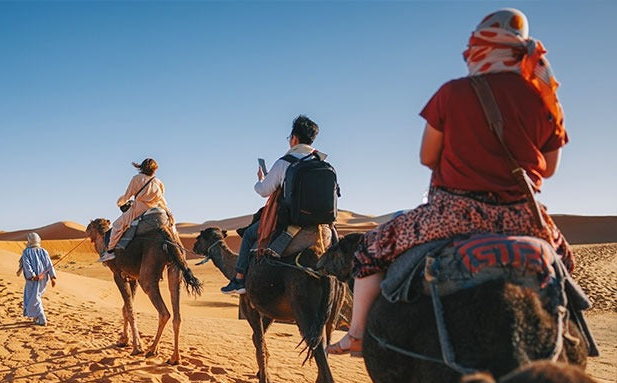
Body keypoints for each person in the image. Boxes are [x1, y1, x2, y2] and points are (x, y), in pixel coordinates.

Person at [327, 8, 572, 355]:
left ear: (481, 45)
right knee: (563, 265)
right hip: (524, 218)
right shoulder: (545, 98)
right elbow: (547, 169)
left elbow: (427, 157)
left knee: (370, 251)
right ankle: (575, 342)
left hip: (454, 213)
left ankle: (358, 334)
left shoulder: (454, 92)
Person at [221, 115, 325, 294]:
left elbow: (264, 191)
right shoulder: (321, 163)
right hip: (320, 221)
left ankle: (239, 280)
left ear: (294, 138)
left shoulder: (285, 163)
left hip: (289, 219)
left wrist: (261, 179)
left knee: (249, 236)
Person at [99, 158, 177, 262]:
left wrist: (120, 202)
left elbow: (127, 195)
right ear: (154, 169)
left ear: (142, 168)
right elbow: (162, 199)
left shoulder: (137, 178)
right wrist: (168, 211)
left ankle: (110, 252)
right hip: (156, 209)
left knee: (117, 225)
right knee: (172, 227)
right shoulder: (158, 182)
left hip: (138, 210)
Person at [19, 232, 57, 326]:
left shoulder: (27, 252)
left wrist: (32, 276)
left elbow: (27, 266)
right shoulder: (43, 251)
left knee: (34, 298)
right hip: (39, 279)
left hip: (34, 280)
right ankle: (36, 318)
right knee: (35, 297)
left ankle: (41, 318)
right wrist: (52, 276)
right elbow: (49, 264)